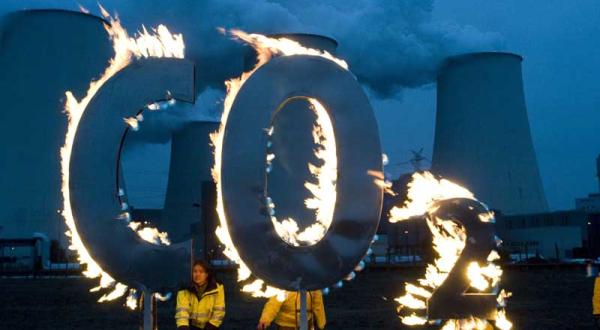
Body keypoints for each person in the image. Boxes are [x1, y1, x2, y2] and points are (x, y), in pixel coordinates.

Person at [175, 260, 225, 330]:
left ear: (207, 274)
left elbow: (219, 311)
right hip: (191, 326)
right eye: (195, 271)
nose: (197, 274)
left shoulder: (217, 288)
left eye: (201, 272)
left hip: (211, 327)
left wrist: (211, 326)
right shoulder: (184, 289)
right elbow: (182, 312)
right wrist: (183, 327)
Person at [257, 290, 326, 330]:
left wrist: (321, 323)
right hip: (286, 326)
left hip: (306, 323)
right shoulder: (284, 287)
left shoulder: (313, 286)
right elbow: (273, 304)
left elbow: (318, 305)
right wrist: (265, 320)